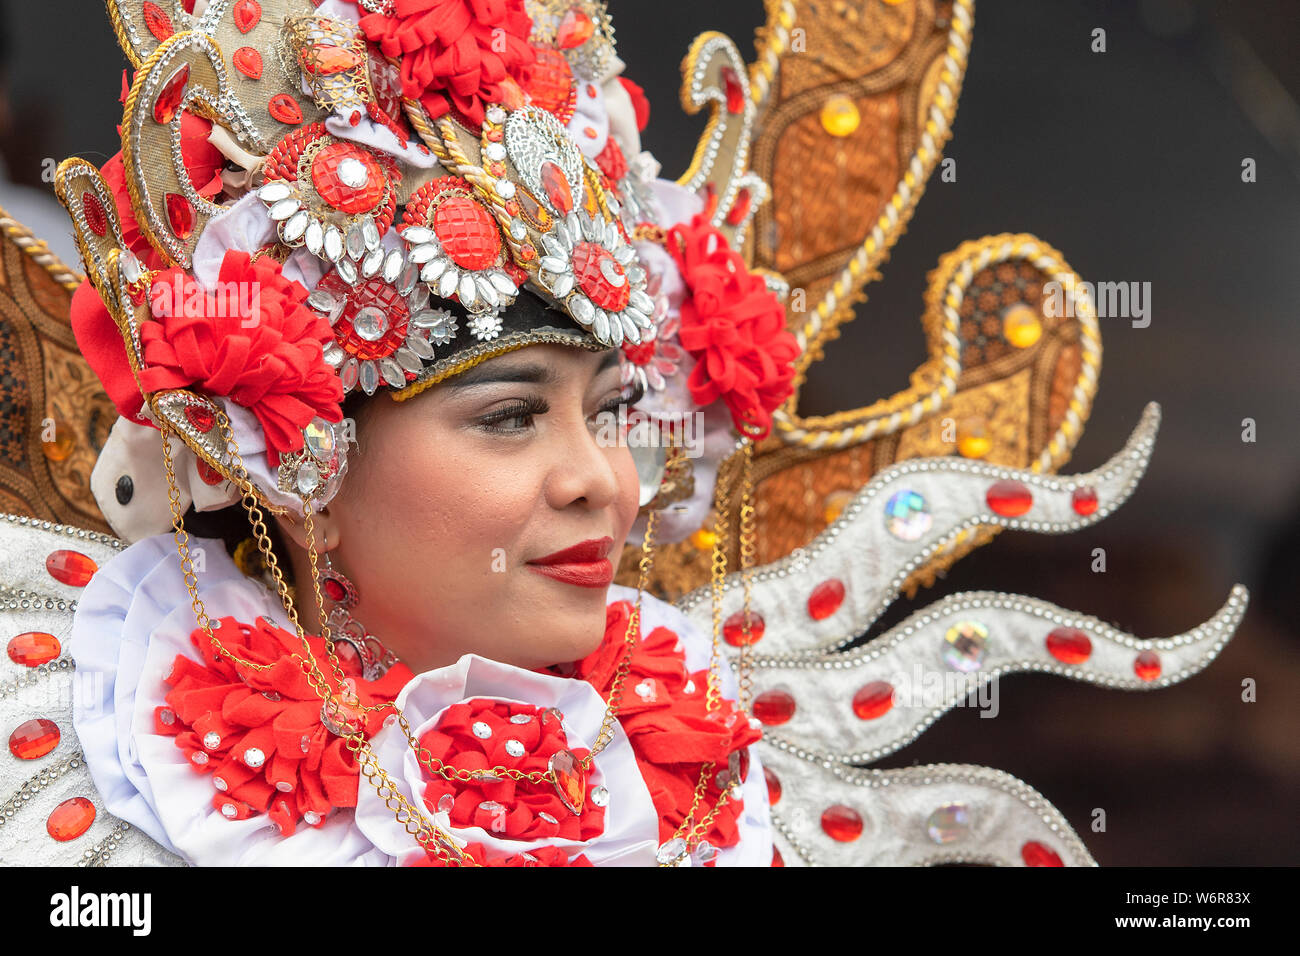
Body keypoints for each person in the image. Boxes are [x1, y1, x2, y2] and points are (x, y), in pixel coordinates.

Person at [0, 0, 1245, 868]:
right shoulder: (109, 789)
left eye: (605, 411)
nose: (600, 480)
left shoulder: (694, 779)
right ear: (300, 464)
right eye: (507, 415)